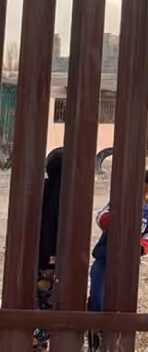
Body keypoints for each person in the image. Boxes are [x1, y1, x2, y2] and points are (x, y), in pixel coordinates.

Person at [86, 170, 148, 350]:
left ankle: (114, 339)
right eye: (142, 191)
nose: (146, 197)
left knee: (122, 302)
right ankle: (94, 335)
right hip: (104, 260)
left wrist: (142, 246)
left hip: (128, 266)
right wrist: (116, 216)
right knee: (97, 297)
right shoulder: (117, 204)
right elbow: (99, 217)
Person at [33, 149, 63, 351]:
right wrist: (52, 260)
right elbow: (52, 228)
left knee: (41, 300)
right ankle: (41, 341)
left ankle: (39, 341)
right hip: (50, 259)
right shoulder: (61, 193)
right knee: (49, 303)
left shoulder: (43, 189)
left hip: (40, 258)